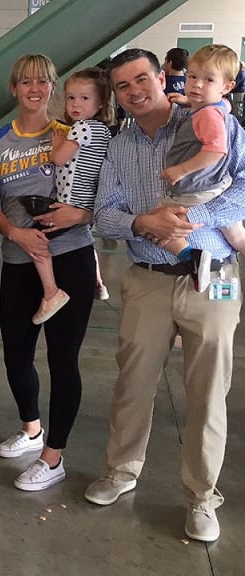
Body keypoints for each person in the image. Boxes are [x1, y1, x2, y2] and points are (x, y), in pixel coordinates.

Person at [88, 47, 245, 543]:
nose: (134, 92)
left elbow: (243, 185)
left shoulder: (211, 120)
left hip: (212, 277)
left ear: (161, 77)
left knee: (208, 393)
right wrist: (143, 223)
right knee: (133, 383)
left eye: (141, 79)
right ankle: (121, 470)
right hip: (148, 278)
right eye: (122, 86)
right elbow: (104, 213)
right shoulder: (119, 147)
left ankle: (202, 497)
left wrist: (195, 216)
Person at [0, 54, 96, 492]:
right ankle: (31, 430)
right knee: (16, 353)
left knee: (63, 358)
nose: (34, 88)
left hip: (70, 258)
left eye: (43, 81)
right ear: (13, 88)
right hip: (18, 259)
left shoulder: (73, 133)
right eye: (26, 81)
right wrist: (14, 233)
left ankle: (53, 456)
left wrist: (79, 216)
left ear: (54, 87)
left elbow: (100, 197)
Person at [27, 67, 114, 324]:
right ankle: (98, 282)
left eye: (84, 98)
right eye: (71, 98)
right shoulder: (104, 131)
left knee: (36, 238)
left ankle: (51, 292)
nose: (75, 104)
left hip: (69, 200)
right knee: (86, 237)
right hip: (87, 200)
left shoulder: (81, 128)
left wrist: (56, 144)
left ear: (100, 102)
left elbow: (58, 158)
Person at [157, 45, 245, 291]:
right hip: (216, 186)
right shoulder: (218, 107)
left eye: (208, 80)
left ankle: (194, 258)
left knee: (159, 225)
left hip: (195, 190)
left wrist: (181, 170)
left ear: (227, 86)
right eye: (193, 76)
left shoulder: (206, 116)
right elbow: (223, 104)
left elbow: (216, 150)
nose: (196, 84)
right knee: (236, 235)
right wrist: (188, 102)